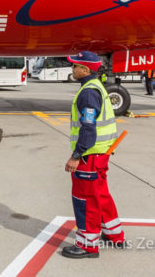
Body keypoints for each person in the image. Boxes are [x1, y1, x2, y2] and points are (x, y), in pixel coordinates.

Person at [61, 51, 124, 259]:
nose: (72, 69)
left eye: (75, 66)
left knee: (85, 199)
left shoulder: (88, 92)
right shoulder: (96, 87)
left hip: (89, 155)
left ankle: (88, 245)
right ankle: (114, 234)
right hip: (101, 153)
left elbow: (88, 128)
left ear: (85, 69)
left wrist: (76, 156)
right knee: (101, 194)